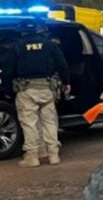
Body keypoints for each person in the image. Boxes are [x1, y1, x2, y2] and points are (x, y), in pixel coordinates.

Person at [7, 19, 69, 167]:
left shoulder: (17, 46)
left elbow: (8, 68)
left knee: (30, 124)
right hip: (47, 88)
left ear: (22, 31)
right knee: (50, 122)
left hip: (26, 89)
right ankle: (53, 155)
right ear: (36, 30)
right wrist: (66, 82)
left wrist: (7, 89)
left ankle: (32, 157)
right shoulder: (49, 44)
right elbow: (62, 63)